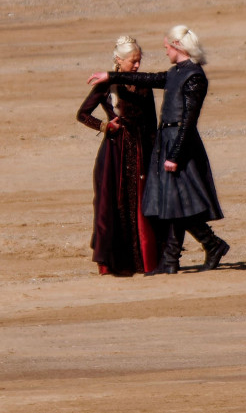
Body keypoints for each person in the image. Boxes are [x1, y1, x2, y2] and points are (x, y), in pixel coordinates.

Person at [87, 25, 229, 274]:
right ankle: (176, 258)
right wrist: (111, 77)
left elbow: (189, 121)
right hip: (167, 140)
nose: (164, 51)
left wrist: (174, 155)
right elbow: (147, 78)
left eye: (166, 47)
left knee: (177, 202)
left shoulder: (194, 76)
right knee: (172, 201)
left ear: (177, 46)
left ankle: (205, 246)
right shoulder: (175, 73)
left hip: (178, 143)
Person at [76, 36, 158, 276]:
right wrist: (105, 126)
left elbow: (152, 121)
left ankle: (146, 260)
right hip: (115, 151)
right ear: (119, 61)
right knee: (115, 203)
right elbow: (82, 114)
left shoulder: (143, 84)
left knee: (142, 203)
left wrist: (154, 149)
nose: (137, 66)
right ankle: (117, 262)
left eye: (139, 61)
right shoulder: (105, 86)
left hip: (142, 149)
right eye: (133, 61)